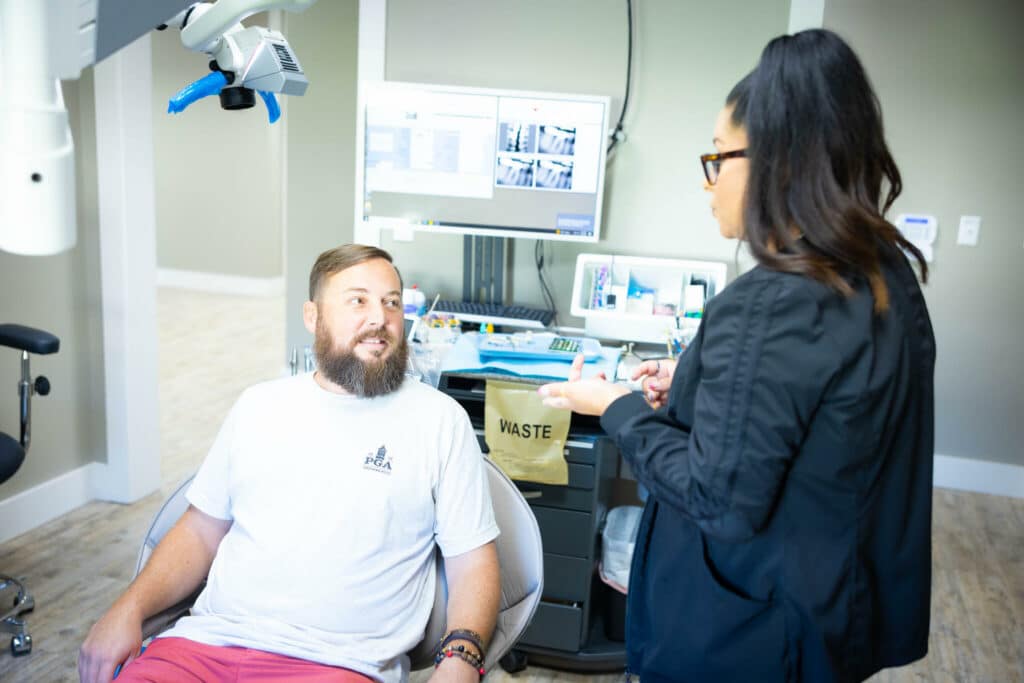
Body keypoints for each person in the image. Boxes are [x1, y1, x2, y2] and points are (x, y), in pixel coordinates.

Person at [539, 29, 935, 683]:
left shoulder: (773, 301)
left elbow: (718, 499)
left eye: (719, 157)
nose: (710, 181)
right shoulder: (883, 270)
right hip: (832, 610)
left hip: (746, 636)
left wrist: (617, 405)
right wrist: (694, 380)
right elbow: (822, 417)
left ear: (778, 159)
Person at [79, 244, 500, 683]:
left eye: (391, 302)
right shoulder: (259, 406)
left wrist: (461, 659)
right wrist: (125, 609)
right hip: (201, 647)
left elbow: (472, 560)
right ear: (313, 317)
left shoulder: (438, 420)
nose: (379, 318)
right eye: (358, 300)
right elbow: (200, 532)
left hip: (337, 665)